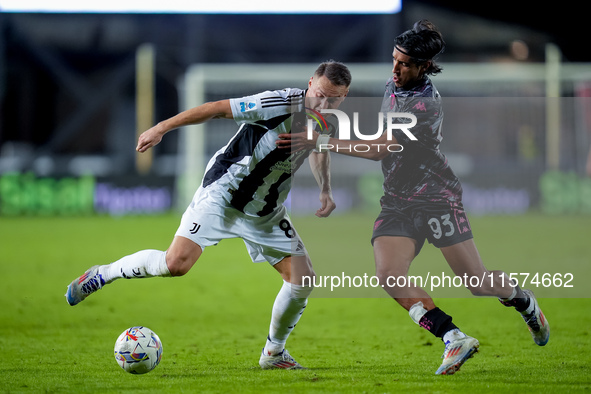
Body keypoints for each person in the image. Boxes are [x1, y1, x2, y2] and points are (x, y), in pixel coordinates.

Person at [278, 21, 549, 375]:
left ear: (424, 66)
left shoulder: (424, 104)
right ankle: (453, 337)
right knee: (388, 274)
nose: (395, 68)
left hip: (436, 197)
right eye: (394, 59)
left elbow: (382, 148)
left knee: (478, 283)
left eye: (404, 63)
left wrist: (322, 142)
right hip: (397, 199)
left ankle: (525, 302)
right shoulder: (392, 85)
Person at [65, 61, 351, 370]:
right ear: (310, 83)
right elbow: (215, 108)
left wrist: (325, 189)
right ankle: (102, 274)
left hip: (264, 211)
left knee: (302, 278)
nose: (324, 103)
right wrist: (161, 127)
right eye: (320, 95)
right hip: (223, 195)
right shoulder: (277, 103)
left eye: (333, 99)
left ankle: (274, 354)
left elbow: (317, 149)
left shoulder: (328, 119)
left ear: (344, 97)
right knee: (175, 264)